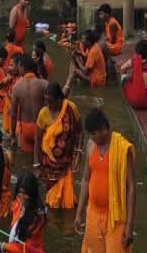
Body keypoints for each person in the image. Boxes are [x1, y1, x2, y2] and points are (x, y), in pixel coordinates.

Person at [75, 108, 135, 252]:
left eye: (94, 134)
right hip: (93, 214)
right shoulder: (91, 146)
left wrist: (129, 226)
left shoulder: (122, 149)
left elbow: (131, 187)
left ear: (104, 130)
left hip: (116, 217)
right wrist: (79, 212)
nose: (92, 138)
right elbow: (85, 180)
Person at [36, 81, 82, 209]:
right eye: (46, 101)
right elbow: (38, 140)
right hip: (48, 164)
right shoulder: (43, 113)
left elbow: (80, 131)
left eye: (51, 101)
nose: (48, 105)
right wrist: (37, 165)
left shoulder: (71, 108)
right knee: (51, 199)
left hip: (67, 162)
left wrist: (78, 153)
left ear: (59, 99)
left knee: (67, 201)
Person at [0, 172, 46, 253]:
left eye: (25, 193)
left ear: (32, 193)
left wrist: (1, 246)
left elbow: (26, 248)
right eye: (20, 192)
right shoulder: (19, 202)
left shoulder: (37, 216)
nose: (21, 196)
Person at [10, 55, 49, 153]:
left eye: (19, 67)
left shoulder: (16, 87)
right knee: (41, 157)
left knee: (25, 158)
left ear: (23, 68)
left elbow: (13, 115)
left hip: (25, 129)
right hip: (40, 128)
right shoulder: (44, 84)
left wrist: (13, 136)